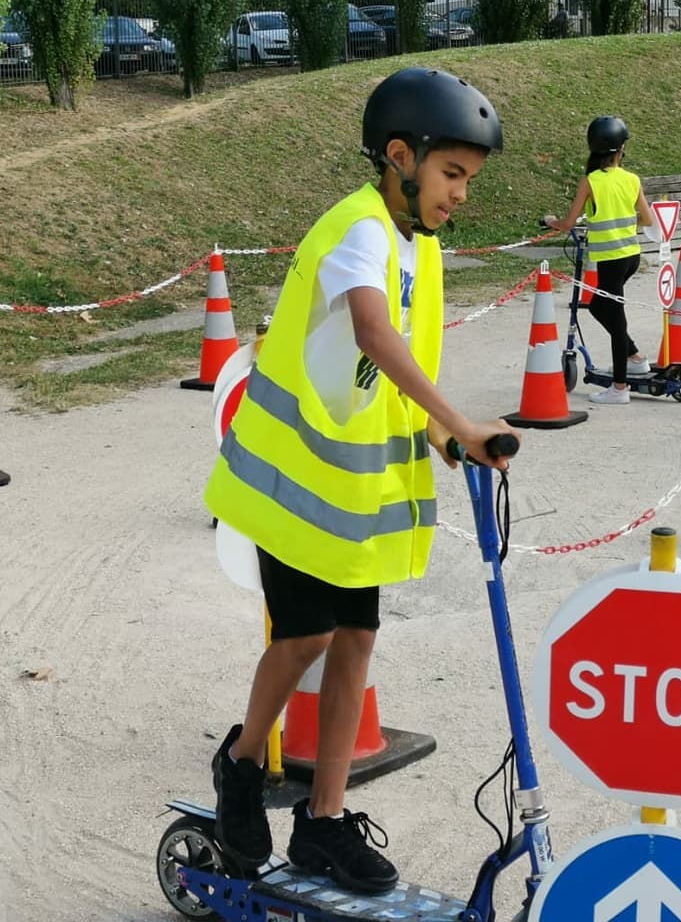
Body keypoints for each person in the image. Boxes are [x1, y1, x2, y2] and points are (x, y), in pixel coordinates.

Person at [202, 66, 519, 892]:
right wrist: (459, 418)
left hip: (347, 501)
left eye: (468, 181)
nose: (460, 195)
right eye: (452, 174)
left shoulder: (421, 248)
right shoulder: (359, 230)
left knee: (356, 645)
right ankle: (241, 765)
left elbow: (395, 375)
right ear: (400, 156)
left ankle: (325, 823)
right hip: (290, 486)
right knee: (304, 638)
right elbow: (374, 335)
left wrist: (450, 443)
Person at [543, 115, 653, 405]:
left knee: (615, 319)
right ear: (620, 151)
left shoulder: (590, 182)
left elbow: (567, 223)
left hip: (610, 260)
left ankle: (620, 388)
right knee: (597, 306)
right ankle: (635, 356)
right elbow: (648, 218)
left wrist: (551, 221)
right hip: (631, 256)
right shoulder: (632, 179)